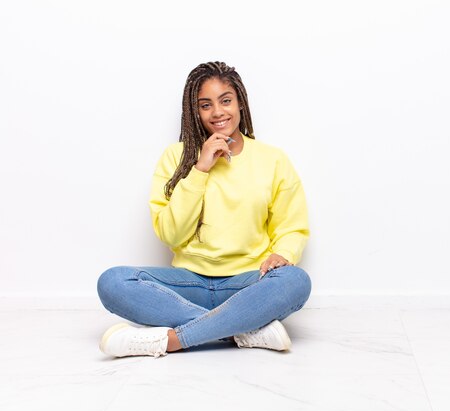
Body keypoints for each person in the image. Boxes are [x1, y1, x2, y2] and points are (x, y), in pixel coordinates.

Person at [97, 61, 311, 358]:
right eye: (205, 105)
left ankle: (173, 340)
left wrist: (283, 254)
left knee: (296, 281)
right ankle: (243, 329)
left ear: (240, 103)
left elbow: (292, 225)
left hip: (248, 283)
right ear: (194, 111)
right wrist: (200, 168)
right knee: (113, 282)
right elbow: (171, 234)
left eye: (226, 101)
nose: (218, 112)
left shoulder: (272, 160)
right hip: (188, 283)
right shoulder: (176, 157)